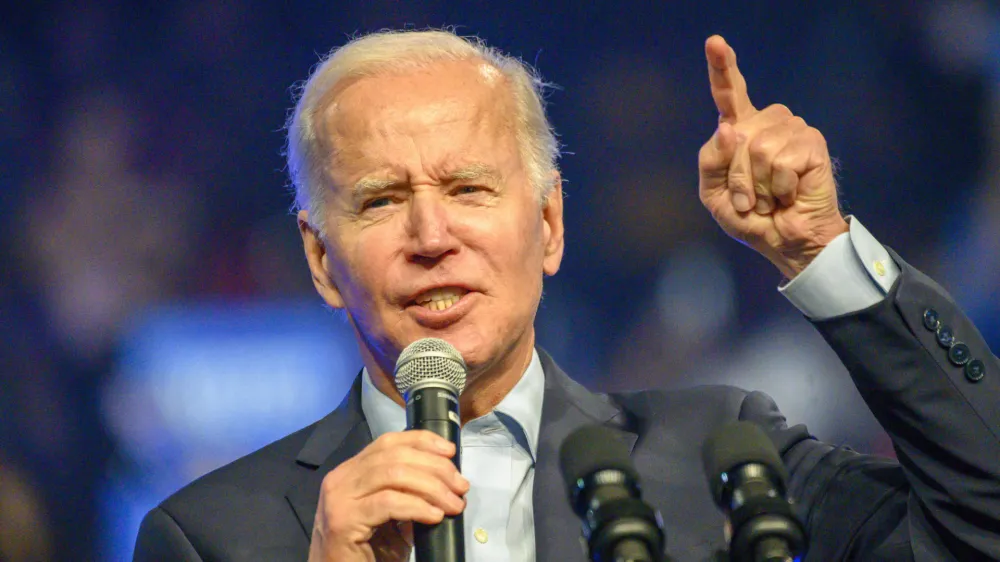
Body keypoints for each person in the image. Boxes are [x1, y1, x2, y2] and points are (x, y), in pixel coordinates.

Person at [133, 29, 1000, 561]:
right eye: (383, 201)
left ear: (548, 225)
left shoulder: (727, 458)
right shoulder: (208, 536)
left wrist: (824, 251)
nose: (433, 237)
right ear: (321, 261)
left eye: (469, 189)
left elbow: (981, 522)